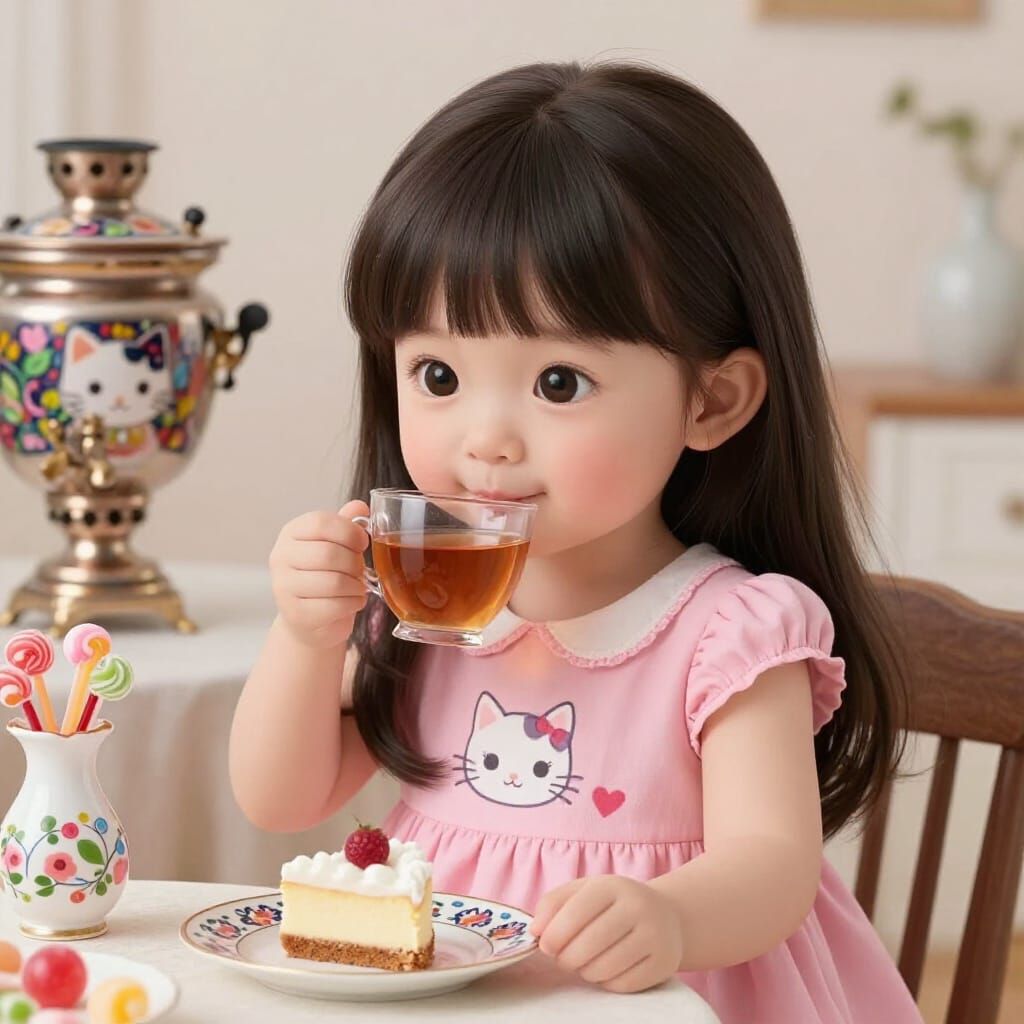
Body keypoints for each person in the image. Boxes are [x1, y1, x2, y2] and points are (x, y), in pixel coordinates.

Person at [231, 60, 924, 1023]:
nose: (486, 438)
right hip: (452, 989)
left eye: (559, 383)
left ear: (711, 400)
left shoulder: (728, 630)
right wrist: (305, 640)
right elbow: (279, 797)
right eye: (437, 373)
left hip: (669, 995)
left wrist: (670, 916)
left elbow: (774, 866)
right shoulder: (422, 597)